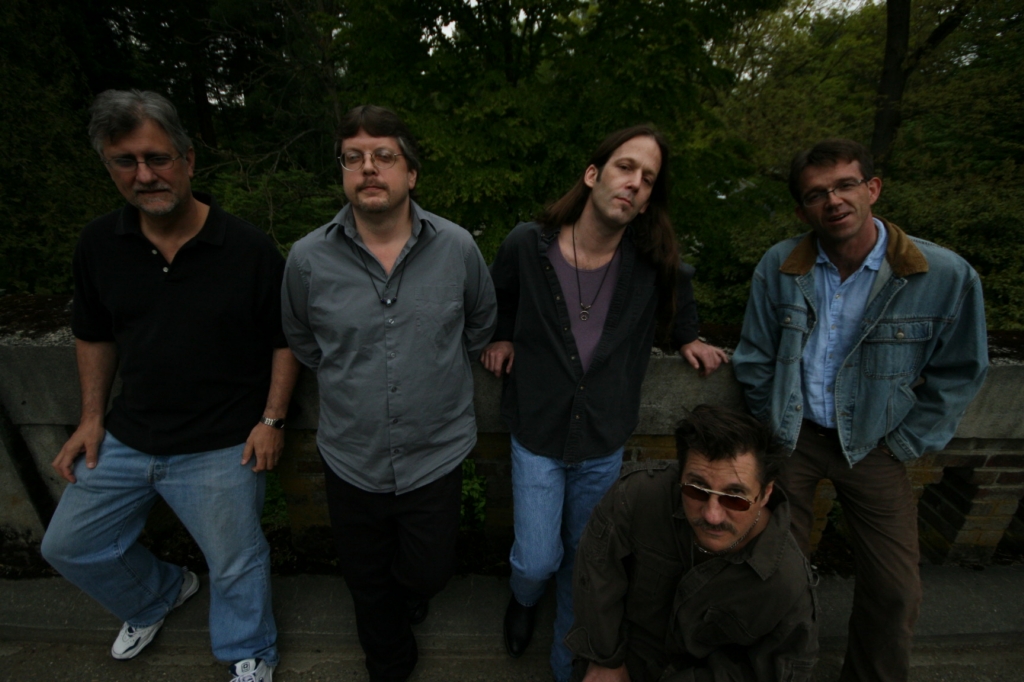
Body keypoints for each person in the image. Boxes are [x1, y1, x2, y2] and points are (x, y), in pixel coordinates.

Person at [40, 89, 300, 682]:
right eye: (124, 161)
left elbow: (285, 340)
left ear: (187, 160)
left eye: (156, 158)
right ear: (109, 167)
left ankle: (248, 650)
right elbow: (93, 335)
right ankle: (159, 593)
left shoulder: (247, 248)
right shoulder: (99, 244)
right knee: (67, 545)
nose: (144, 175)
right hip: (129, 434)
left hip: (222, 442)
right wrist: (91, 417)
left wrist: (272, 419)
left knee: (235, 560)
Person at [732, 138, 988, 682]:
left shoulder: (943, 274)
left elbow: (962, 370)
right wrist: (773, 425)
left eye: (845, 185)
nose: (834, 201)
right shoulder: (780, 265)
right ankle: (779, 671)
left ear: (872, 188)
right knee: (775, 572)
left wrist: (906, 442)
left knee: (895, 588)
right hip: (794, 440)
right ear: (803, 210)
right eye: (816, 194)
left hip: (876, 444)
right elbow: (754, 358)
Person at [482, 125, 729, 682]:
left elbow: (680, 291)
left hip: (602, 435)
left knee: (588, 556)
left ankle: (567, 663)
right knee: (537, 558)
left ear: (648, 200)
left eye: (649, 178)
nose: (635, 182)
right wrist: (500, 336)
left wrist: (688, 338)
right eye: (625, 167)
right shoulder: (529, 244)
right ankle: (525, 597)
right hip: (537, 430)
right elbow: (500, 296)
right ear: (593, 174)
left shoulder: (650, 262)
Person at [281, 105, 496, 682]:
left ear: (411, 173)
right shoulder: (307, 259)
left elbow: (480, 322)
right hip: (352, 454)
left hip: (435, 452)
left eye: (384, 156)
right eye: (353, 158)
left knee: (429, 572)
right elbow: (302, 339)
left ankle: (410, 594)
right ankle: (390, 663)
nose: (368, 168)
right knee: (365, 580)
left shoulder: (457, 248)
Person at [566, 405, 818, 682]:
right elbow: (597, 574)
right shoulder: (636, 498)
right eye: (696, 490)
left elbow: (777, 671)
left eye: (734, 497)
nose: (712, 515)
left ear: (766, 492)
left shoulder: (787, 582)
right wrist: (604, 659)